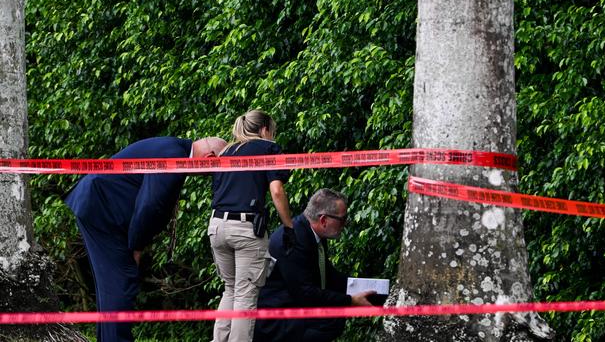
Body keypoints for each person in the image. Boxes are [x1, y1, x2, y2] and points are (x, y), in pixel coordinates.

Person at [65, 136, 227, 342]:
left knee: (111, 287)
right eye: (214, 170)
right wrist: (136, 247)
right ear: (210, 158)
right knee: (121, 282)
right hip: (103, 211)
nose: (209, 176)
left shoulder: (174, 147)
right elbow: (150, 206)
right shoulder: (174, 156)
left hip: (99, 207)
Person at [209, 109, 293, 342]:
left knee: (230, 289)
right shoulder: (268, 148)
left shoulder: (226, 152)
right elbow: (276, 190)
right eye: (272, 131)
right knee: (245, 296)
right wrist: (289, 227)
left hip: (216, 226)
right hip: (245, 229)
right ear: (265, 129)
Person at [253, 188, 375, 342]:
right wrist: (350, 300)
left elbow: (327, 274)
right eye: (342, 220)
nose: (345, 224)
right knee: (331, 322)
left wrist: (363, 286)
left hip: (296, 306)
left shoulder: (314, 233)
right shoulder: (294, 240)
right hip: (277, 319)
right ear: (323, 220)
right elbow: (305, 293)